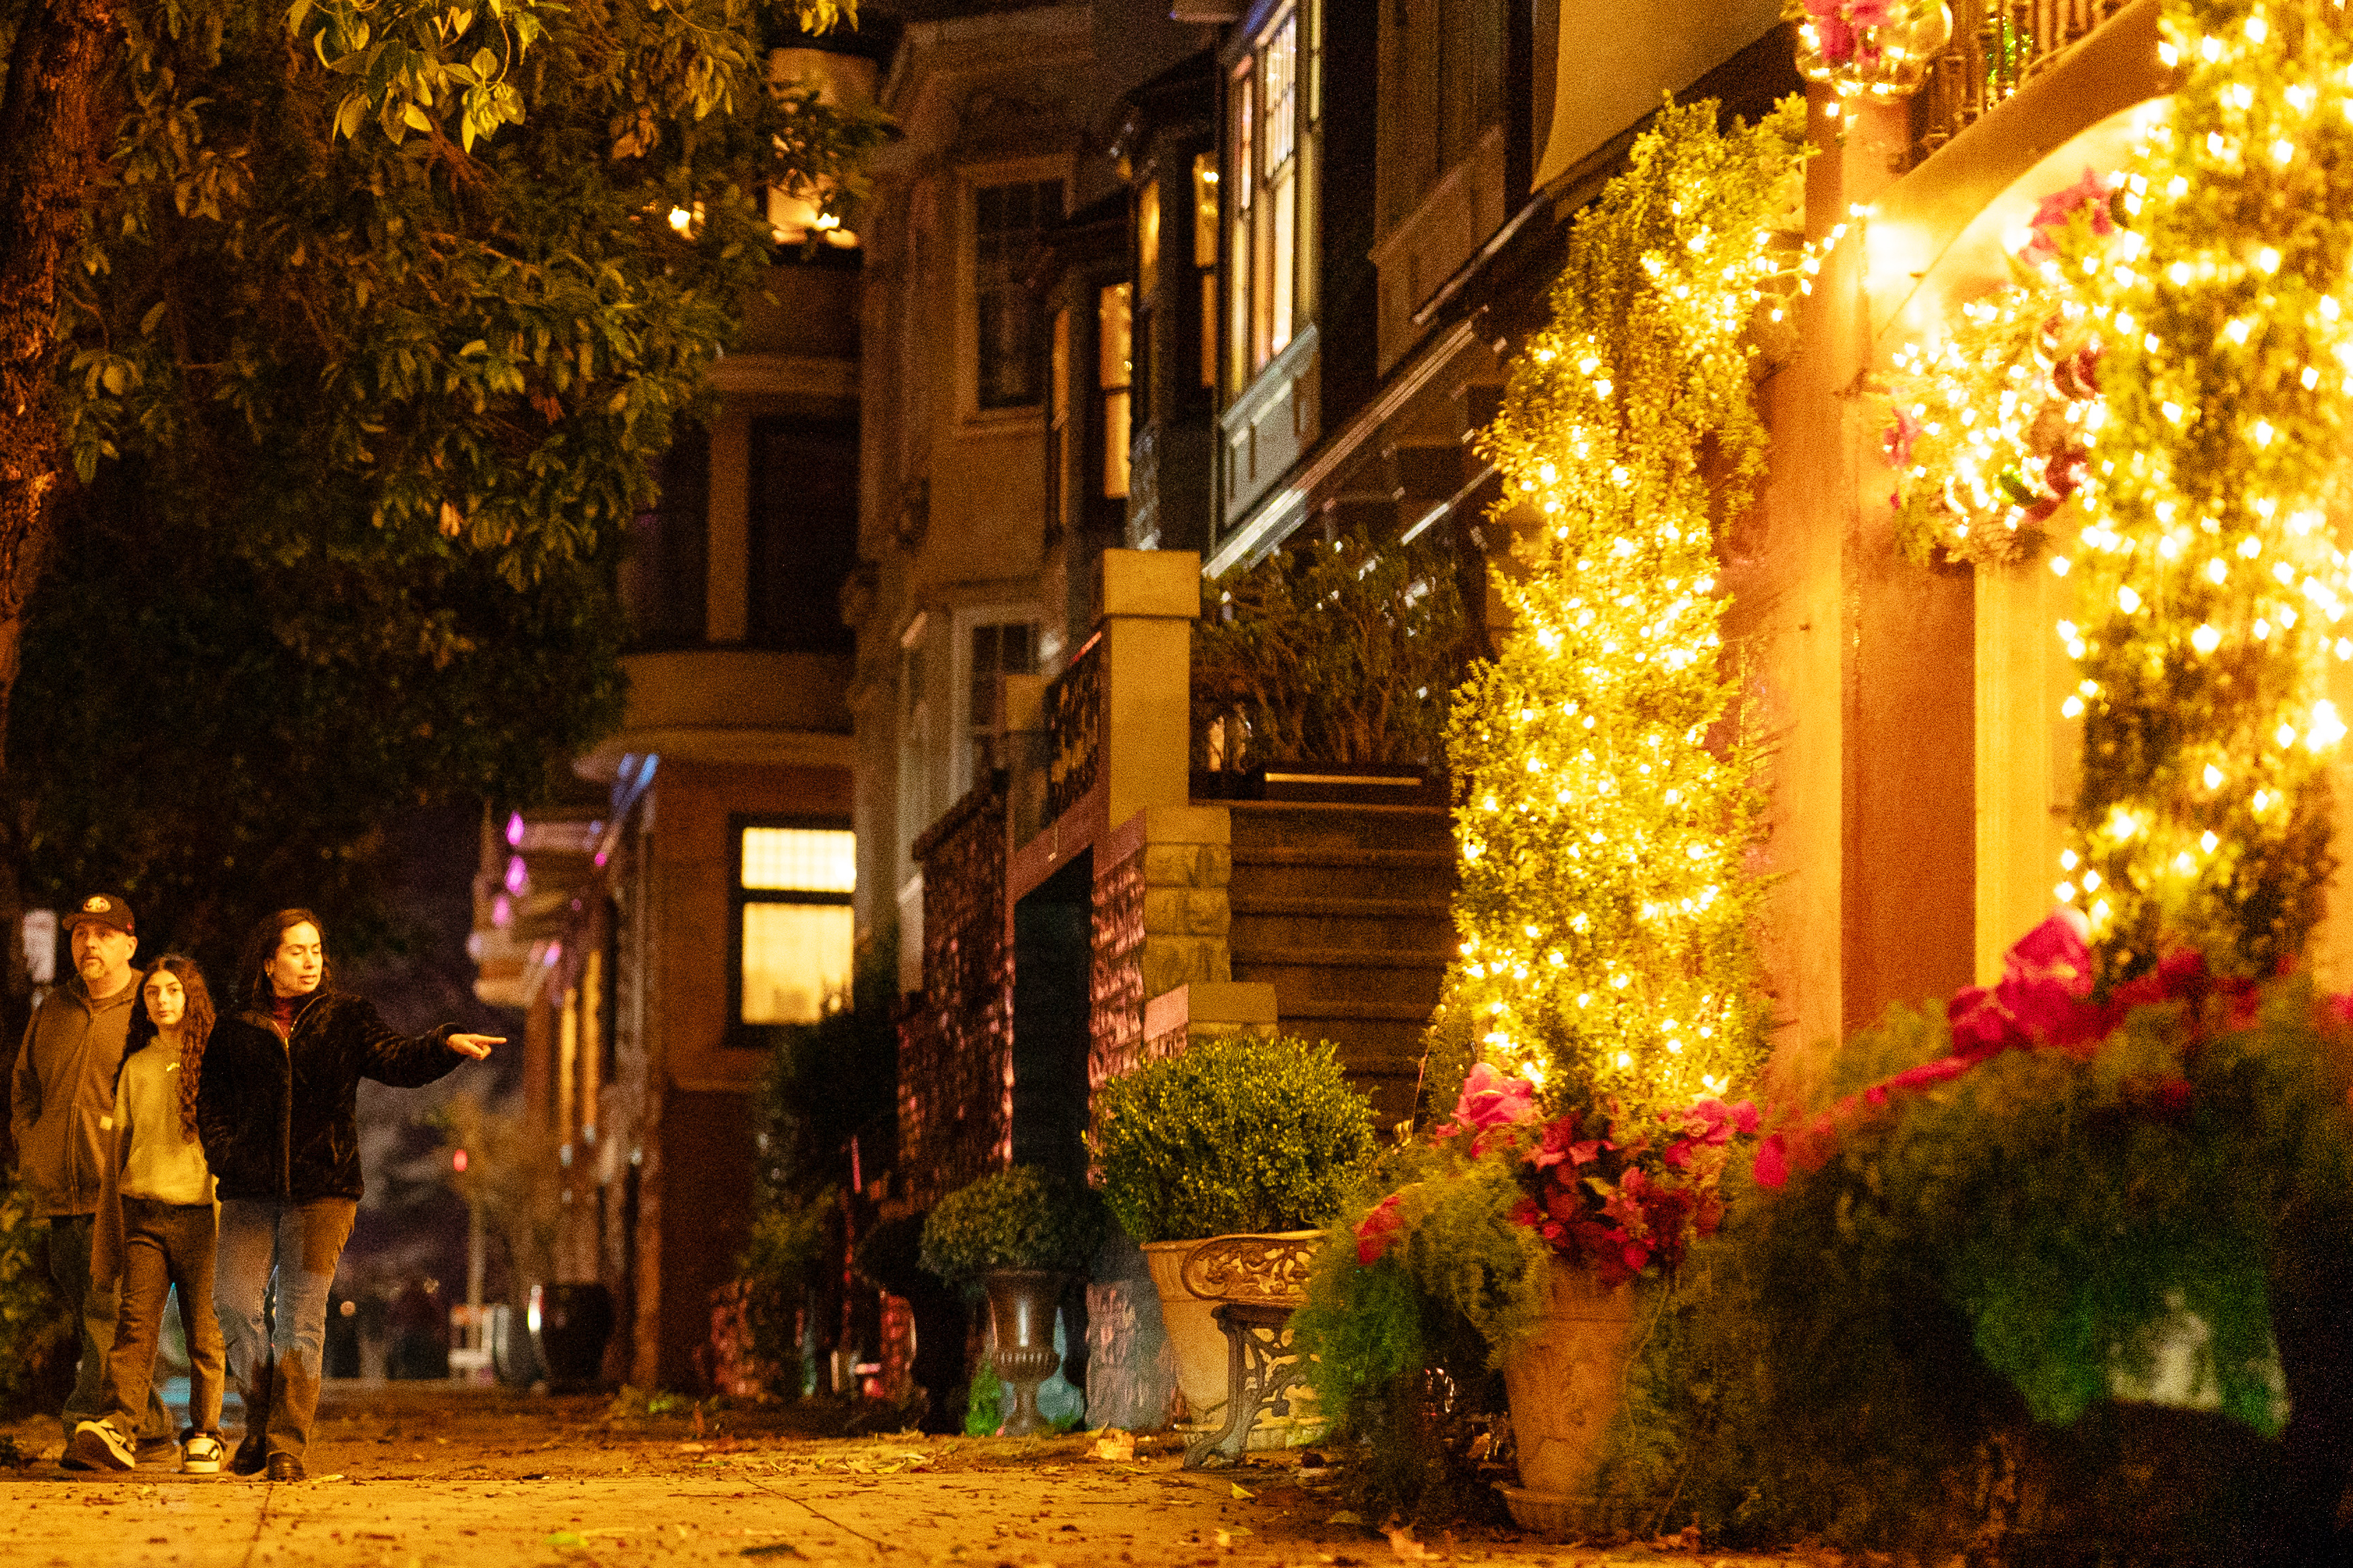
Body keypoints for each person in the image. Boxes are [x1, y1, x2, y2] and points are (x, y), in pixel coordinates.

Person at [197, 908, 501, 1482]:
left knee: (301, 1317)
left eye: (316, 949)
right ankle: (259, 1420)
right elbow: (210, 1102)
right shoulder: (235, 1028)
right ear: (269, 961)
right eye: (296, 950)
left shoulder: (345, 1018)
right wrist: (227, 1154)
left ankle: (286, 1443)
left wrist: (444, 1044)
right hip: (249, 1190)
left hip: (324, 1190)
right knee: (234, 1302)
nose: (310, 960)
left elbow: (397, 1058)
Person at [8, 894, 177, 1467]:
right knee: (89, 1306)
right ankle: (151, 1426)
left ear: (131, 943)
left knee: (106, 1308)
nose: (89, 944)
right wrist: (33, 1149)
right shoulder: (55, 1008)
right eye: (81, 934)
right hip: (62, 1189)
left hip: (123, 1191)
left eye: (104, 934)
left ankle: (97, 1424)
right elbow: (25, 1088)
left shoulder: (150, 1007)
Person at [68, 956, 228, 1474]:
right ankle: (118, 1425)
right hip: (144, 1216)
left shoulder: (216, 1065)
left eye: (173, 990)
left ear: (191, 998)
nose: (162, 999)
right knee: (134, 1328)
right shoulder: (135, 1066)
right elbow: (120, 1150)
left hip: (203, 1219)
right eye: (154, 991)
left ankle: (205, 1432)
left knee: (205, 1330)